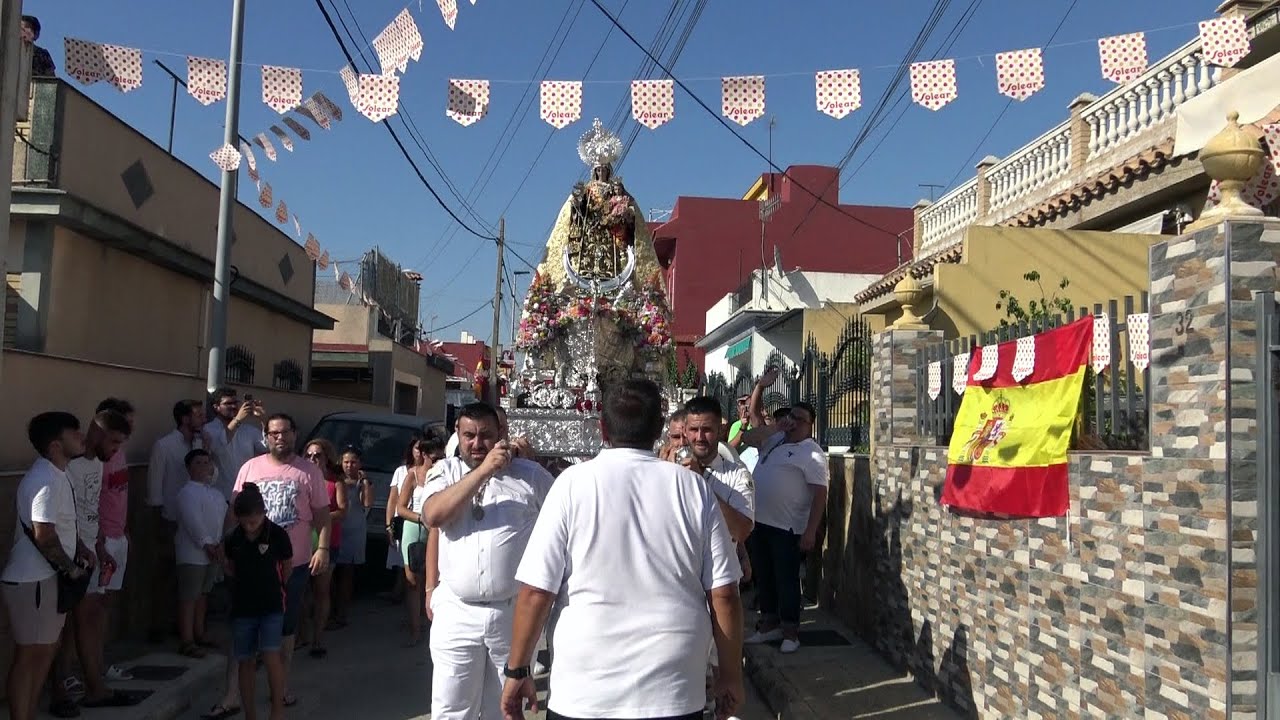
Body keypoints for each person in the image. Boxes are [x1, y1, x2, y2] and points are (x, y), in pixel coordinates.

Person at [501, 380, 744, 720]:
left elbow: (535, 592)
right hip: (672, 683)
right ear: (660, 429)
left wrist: (517, 670)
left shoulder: (571, 484)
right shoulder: (694, 489)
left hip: (585, 687)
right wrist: (730, 676)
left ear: (602, 427)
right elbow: (725, 595)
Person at [421, 402, 555, 720]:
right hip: (457, 610)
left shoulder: (531, 476)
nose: (477, 443)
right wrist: (483, 472)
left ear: (501, 435)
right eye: (469, 435)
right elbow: (433, 515)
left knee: (504, 708)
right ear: (458, 434)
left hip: (511, 612)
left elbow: (562, 527)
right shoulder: (445, 472)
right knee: (451, 708)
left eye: (485, 436)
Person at [232, 414, 331, 709]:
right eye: (273, 433)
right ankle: (236, 695)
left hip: (295, 563)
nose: (280, 437)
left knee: (286, 631)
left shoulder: (308, 471)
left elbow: (322, 515)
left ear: (294, 434)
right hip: (252, 568)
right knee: (245, 633)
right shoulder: (250, 468)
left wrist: (322, 548)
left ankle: (280, 689)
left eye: (285, 432)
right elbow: (234, 512)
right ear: (266, 436)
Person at [3, 413, 91, 720]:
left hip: (45, 580)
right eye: (74, 432)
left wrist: (79, 549)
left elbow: (60, 527)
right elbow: (44, 534)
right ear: (55, 444)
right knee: (30, 656)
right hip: (34, 580)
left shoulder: (57, 474)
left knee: (45, 653)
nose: (82, 436)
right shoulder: (45, 479)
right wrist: (72, 569)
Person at [739, 368, 829, 654]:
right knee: (764, 578)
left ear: (811, 425)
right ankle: (768, 625)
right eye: (793, 418)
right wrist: (760, 388)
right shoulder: (776, 439)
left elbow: (820, 494)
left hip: (788, 528)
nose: (795, 424)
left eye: (801, 420)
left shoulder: (811, 453)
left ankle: (791, 631)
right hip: (761, 523)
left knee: (786, 580)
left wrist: (811, 531)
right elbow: (750, 434)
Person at [58, 408, 134, 711]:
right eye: (113, 442)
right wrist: (80, 548)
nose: (115, 450)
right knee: (66, 626)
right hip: (68, 555)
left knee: (87, 620)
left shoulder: (96, 464)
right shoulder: (69, 466)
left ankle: (92, 685)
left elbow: (92, 510)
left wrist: (99, 544)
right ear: (98, 433)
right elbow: (62, 515)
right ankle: (71, 687)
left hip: (92, 551)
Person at [223, 483, 293, 720]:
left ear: (264, 513)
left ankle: (277, 711)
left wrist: (275, 585)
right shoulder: (233, 538)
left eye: (256, 519)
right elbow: (231, 568)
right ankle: (250, 715)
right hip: (243, 607)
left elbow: (287, 566)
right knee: (246, 660)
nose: (252, 525)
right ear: (238, 517)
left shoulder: (277, 534)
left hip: (272, 604)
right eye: (247, 521)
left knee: (272, 655)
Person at [146, 399, 206, 642]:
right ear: (184, 419)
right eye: (198, 415)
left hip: (198, 522)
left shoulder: (201, 444)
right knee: (166, 574)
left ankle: (189, 628)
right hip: (172, 519)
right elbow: (154, 484)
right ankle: (159, 625)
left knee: (194, 578)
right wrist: (160, 522)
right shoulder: (165, 446)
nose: (203, 419)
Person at [89, 399, 137, 684]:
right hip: (100, 542)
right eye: (124, 422)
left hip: (119, 538)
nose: (130, 427)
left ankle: (99, 663)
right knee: (88, 612)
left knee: (105, 609)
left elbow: (117, 496)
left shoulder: (118, 453)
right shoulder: (96, 459)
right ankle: (77, 671)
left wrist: (125, 529)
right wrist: (99, 540)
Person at [176, 449, 227, 659]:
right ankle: (186, 640)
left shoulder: (216, 494)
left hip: (213, 552)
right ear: (189, 467)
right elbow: (192, 521)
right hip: (193, 553)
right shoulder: (186, 492)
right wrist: (207, 545)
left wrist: (220, 544)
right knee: (189, 596)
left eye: (207, 462)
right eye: (199, 462)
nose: (204, 466)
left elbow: (223, 520)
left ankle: (199, 632)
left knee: (203, 594)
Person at [395, 436, 446, 647]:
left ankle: (433, 625)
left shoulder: (445, 474)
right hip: (414, 528)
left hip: (437, 530)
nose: (438, 462)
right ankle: (415, 630)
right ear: (424, 455)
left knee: (434, 580)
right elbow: (401, 507)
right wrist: (421, 518)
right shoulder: (413, 475)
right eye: (434, 459)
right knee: (413, 581)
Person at [300, 439, 345, 658]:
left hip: (327, 543)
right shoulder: (300, 479)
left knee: (321, 591)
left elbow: (342, 510)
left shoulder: (335, 483)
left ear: (326, 457)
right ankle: (300, 634)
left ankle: (318, 637)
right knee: (299, 591)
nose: (313, 459)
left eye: (317, 455)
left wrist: (321, 518)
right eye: (308, 455)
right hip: (301, 543)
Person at [332, 447, 372, 628]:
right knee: (332, 573)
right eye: (346, 462)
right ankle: (330, 611)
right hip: (336, 527)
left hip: (354, 530)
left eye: (353, 462)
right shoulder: (335, 479)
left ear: (359, 463)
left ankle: (342, 613)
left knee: (347, 572)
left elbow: (367, 503)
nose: (349, 465)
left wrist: (364, 482)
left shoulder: (363, 482)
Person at [204, 388, 266, 501]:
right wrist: (238, 419)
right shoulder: (208, 429)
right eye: (228, 403)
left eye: (235, 403)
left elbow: (267, 447)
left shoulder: (249, 430)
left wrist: (262, 419)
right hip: (220, 496)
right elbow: (221, 443)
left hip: (245, 495)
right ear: (216, 407)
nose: (233, 406)